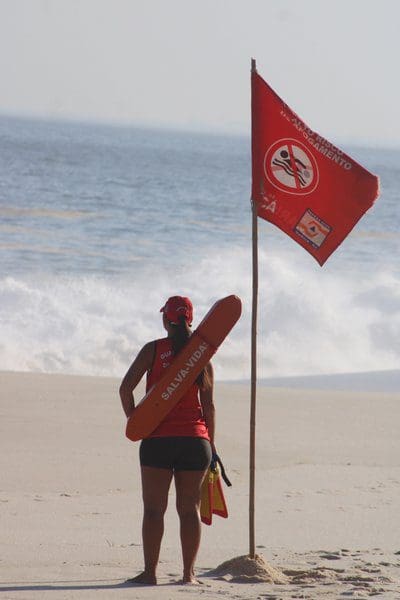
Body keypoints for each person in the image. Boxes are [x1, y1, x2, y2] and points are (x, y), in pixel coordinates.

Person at [119, 296, 215, 585]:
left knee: (153, 510)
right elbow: (208, 406)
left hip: (157, 440)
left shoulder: (153, 350)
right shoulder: (202, 356)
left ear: (166, 319)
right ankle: (189, 575)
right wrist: (212, 445)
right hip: (196, 442)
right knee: (190, 510)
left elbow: (125, 389)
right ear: (191, 320)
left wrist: (137, 421)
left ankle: (150, 574)